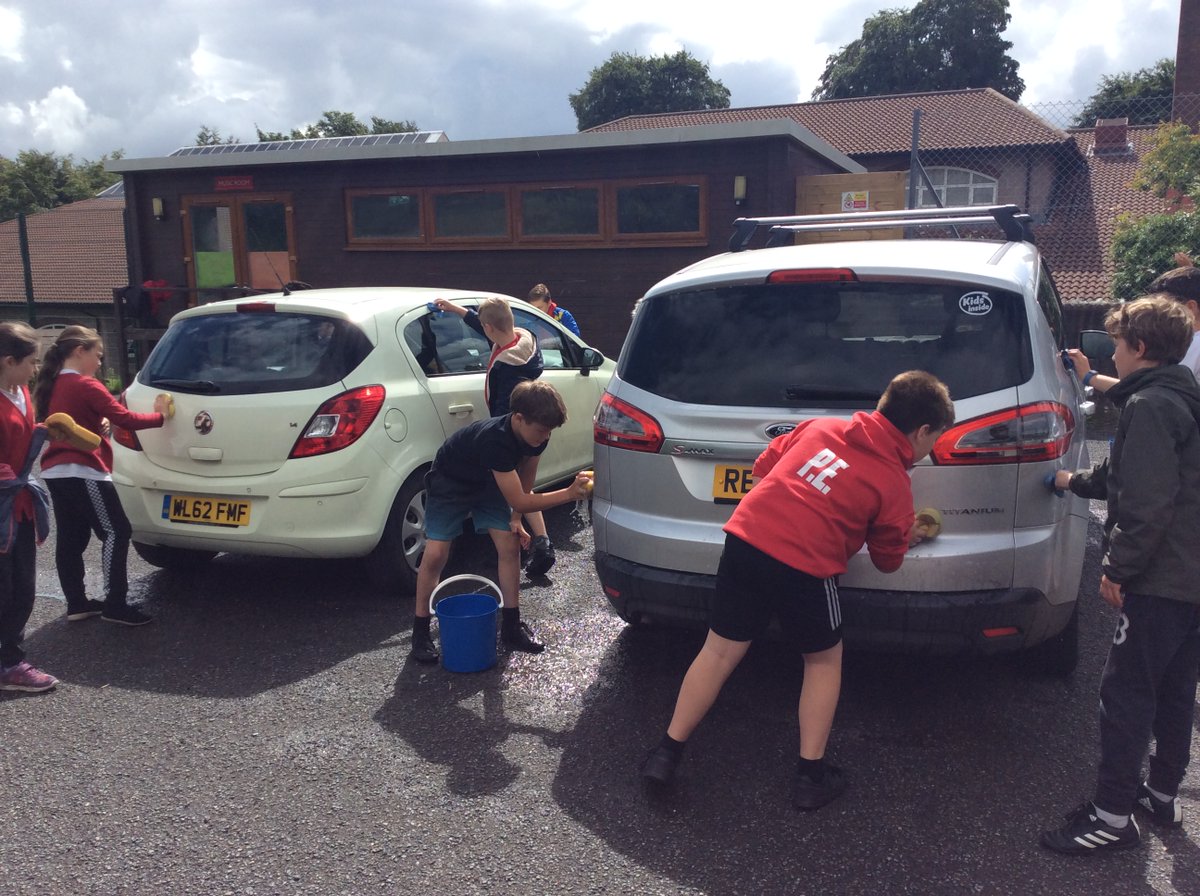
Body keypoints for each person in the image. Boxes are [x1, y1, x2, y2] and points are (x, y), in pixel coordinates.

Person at [640, 370, 955, 809]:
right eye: (934, 438)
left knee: (719, 651)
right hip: (806, 567)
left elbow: (763, 468)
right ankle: (810, 778)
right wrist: (906, 534)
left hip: (747, 541)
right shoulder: (893, 480)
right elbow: (888, 561)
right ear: (921, 431)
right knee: (823, 660)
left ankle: (666, 754)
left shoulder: (821, 427)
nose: (930, 448)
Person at [1040, 296, 1200, 855]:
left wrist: (1118, 567)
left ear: (1140, 347)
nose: (1113, 354)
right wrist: (1072, 482)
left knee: (1126, 692)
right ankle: (1161, 794)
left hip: (1160, 579)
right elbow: (1129, 474)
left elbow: (1146, 501)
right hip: (1191, 577)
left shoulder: (1150, 405)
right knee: (1176, 687)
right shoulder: (1183, 395)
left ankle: (1110, 817)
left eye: (1118, 345)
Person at [409, 380, 593, 664]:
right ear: (518, 418)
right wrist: (569, 494)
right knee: (435, 553)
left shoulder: (537, 437)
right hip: (450, 482)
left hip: (488, 483)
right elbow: (520, 499)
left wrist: (516, 519)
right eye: (541, 431)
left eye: (549, 432)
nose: (545, 437)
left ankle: (511, 626)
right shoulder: (494, 440)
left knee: (509, 545)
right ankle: (420, 631)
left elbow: (526, 481)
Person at [33, 326, 173, 627]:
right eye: (97, 356)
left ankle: (77, 603)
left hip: (56, 471)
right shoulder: (86, 384)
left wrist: (102, 420)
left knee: (71, 538)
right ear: (79, 351)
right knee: (116, 532)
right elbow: (127, 418)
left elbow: (83, 417)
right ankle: (115, 604)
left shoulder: (53, 383)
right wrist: (162, 415)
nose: (99, 363)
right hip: (84, 469)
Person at [431, 296, 557, 577]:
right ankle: (543, 542)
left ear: (490, 329)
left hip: (515, 435)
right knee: (524, 485)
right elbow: (486, 324)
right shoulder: (520, 341)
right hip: (526, 427)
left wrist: (515, 514)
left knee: (516, 490)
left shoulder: (510, 372)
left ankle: (523, 539)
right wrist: (455, 309)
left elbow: (505, 417)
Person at [0, 322, 57, 692]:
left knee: (22, 587)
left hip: (18, 504)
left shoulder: (20, 391)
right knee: (6, 588)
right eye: (31, 362)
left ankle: (10, 659)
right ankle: (9, 663)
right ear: (9, 361)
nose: (35, 369)